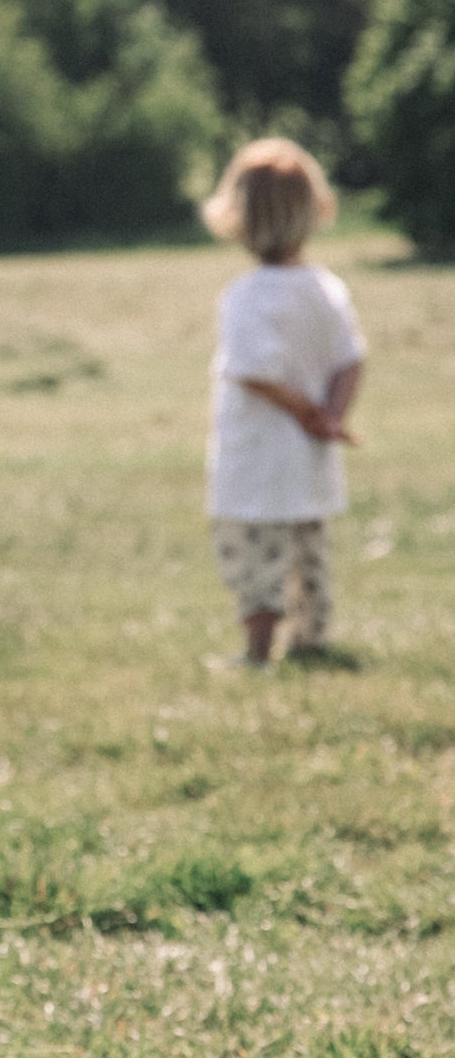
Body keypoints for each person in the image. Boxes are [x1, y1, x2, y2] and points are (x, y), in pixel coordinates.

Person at [202, 136, 366, 667]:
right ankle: (310, 639)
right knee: (308, 553)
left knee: (257, 557)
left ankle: (257, 651)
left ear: (240, 218)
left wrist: (306, 412)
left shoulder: (247, 295)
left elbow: (251, 373)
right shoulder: (326, 288)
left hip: (257, 460)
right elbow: (351, 358)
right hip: (309, 460)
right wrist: (332, 415)